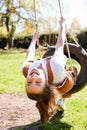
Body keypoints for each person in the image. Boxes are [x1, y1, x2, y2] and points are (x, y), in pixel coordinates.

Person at [22, 16, 77, 114]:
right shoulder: (56, 66)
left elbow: (29, 55)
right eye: (38, 83)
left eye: (29, 83)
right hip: (65, 85)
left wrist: (34, 39)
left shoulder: (27, 70)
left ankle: (56, 99)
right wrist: (62, 26)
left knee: (47, 63)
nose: (33, 78)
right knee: (73, 69)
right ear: (46, 82)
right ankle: (59, 98)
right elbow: (60, 44)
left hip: (53, 74)